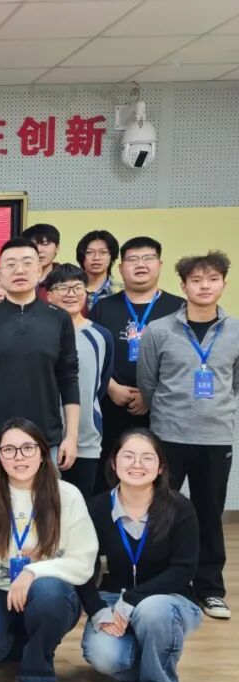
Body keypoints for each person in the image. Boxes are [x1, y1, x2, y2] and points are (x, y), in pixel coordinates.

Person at [0, 418, 97, 682]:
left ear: (43, 453)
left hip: (47, 593)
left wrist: (33, 571)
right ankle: (27, 639)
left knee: (48, 592)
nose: (19, 457)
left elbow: (83, 561)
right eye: (8, 450)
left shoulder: (67, 495)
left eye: (27, 448)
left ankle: (39, 671)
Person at [138, 250, 238, 620]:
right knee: (161, 511)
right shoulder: (159, 330)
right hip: (168, 436)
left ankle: (210, 589)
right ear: (183, 286)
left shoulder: (236, 331)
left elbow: (234, 384)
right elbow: (148, 383)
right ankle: (159, 582)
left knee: (210, 513)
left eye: (212, 279)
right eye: (196, 280)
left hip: (215, 438)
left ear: (223, 284)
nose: (204, 286)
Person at [79, 429, 202, 682]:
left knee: (153, 609)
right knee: (104, 656)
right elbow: (81, 567)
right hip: (113, 599)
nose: (137, 464)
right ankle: (153, 661)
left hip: (170, 601)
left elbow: (183, 570)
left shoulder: (180, 508)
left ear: (160, 467)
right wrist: (98, 610)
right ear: (114, 463)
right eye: (128, 456)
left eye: (147, 457)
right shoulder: (97, 508)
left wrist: (134, 598)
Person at [0, 237, 80, 480]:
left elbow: (69, 378)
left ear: (40, 271)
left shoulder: (59, 319)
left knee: (47, 503)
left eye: (27, 263)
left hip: (46, 439)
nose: (19, 270)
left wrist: (71, 437)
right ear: (0, 273)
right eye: (11, 264)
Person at [89, 236, 184, 494]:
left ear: (160, 264)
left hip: (162, 410)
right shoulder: (103, 307)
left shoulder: (178, 308)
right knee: (108, 476)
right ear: (121, 268)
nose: (140, 265)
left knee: (158, 479)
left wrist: (149, 394)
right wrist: (111, 387)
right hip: (111, 406)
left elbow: (184, 361)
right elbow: (91, 355)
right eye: (132, 260)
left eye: (147, 258)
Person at [44, 266, 114, 502]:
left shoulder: (101, 336)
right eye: (62, 287)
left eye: (77, 287)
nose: (71, 293)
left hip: (85, 439)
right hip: (42, 438)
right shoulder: (38, 334)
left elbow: (100, 385)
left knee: (79, 507)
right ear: (49, 295)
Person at [77, 229, 122, 310]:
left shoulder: (122, 292)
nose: (96, 258)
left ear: (112, 257)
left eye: (103, 252)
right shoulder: (71, 291)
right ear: (81, 257)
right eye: (89, 252)